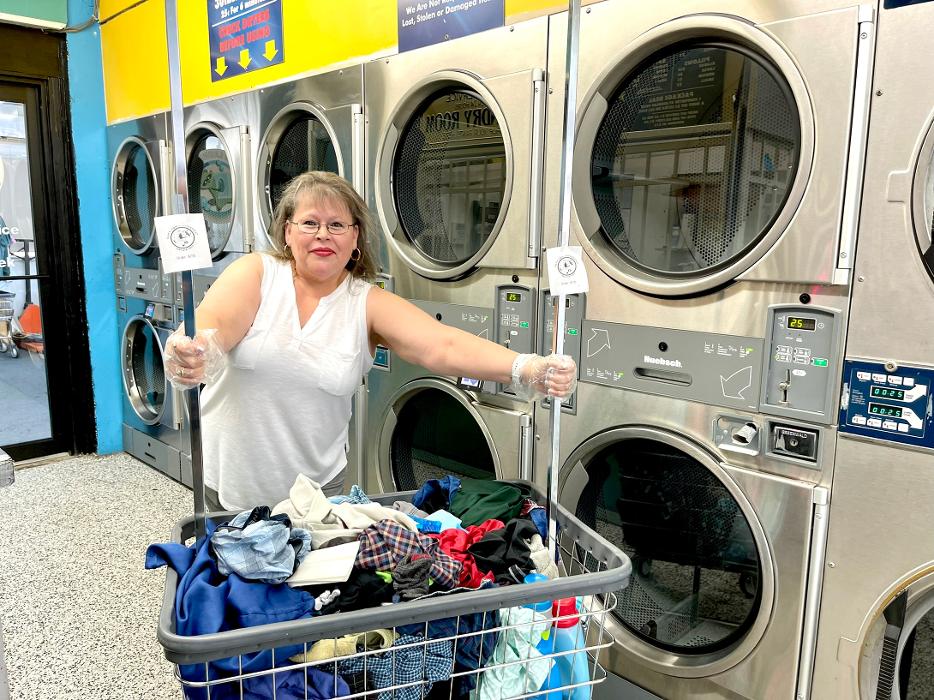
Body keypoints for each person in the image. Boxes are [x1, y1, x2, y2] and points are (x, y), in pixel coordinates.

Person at [165, 171, 576, 511]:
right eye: (309, 223)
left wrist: (526, 368)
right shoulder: (257, 272)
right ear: (288, 232)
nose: (323, 234)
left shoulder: (366, 303)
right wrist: (194, 351)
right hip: (228, 487)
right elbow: (213, 326)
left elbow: (441, 344)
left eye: (337, 225)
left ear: (355, 237)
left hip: (316, 494)